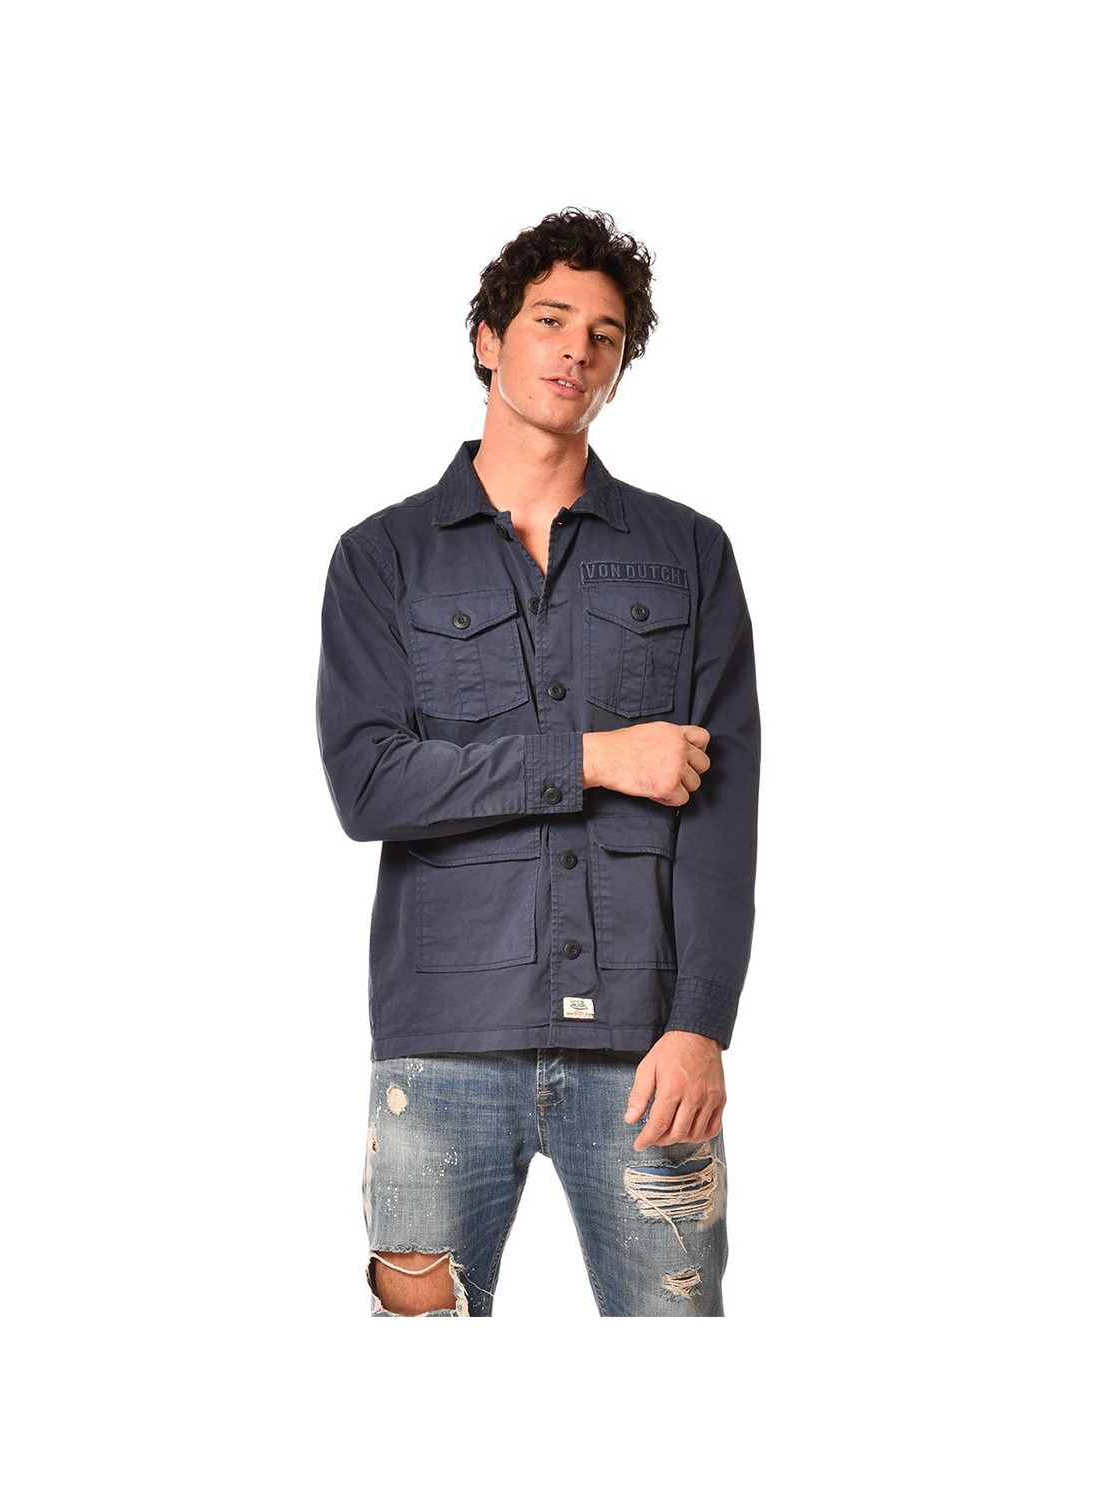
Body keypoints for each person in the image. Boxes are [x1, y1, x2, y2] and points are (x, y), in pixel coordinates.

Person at [315, 207, 760, 1317]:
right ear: (488, 338)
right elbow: (370, 786)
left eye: (605, 336)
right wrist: (595, 758)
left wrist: (701, 1024)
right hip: (442, 1050)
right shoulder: (382, 559)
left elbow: (725, 818)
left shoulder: (689, 554)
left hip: (646, 1053)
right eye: (550, 321)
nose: (576, 352)